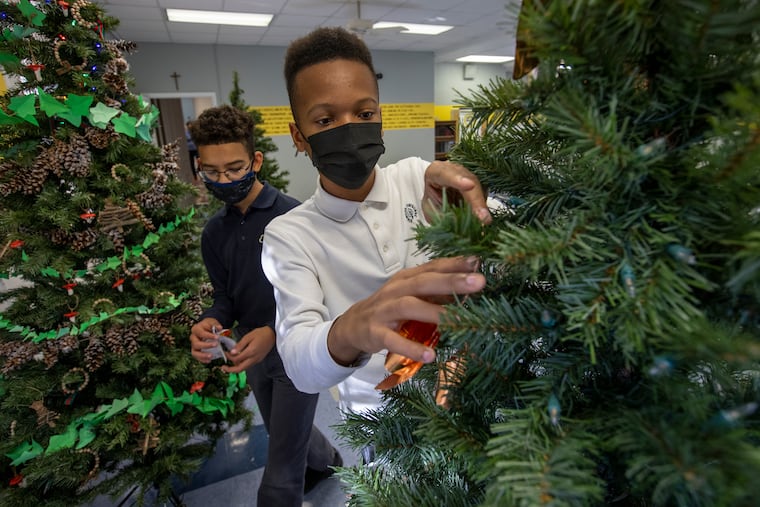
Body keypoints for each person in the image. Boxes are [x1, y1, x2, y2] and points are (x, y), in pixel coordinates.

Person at [261, 27, 492, 422]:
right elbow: (299, 364)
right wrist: (352, 328)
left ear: (381, 121)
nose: (349, 129)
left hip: (465, 395)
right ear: (299, 137)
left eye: (364, 113)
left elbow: (505, 247)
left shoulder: (420, 179)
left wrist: (475, 220)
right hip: (378, 420)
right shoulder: (289, 236)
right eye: (325, 119)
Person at [187, 105, 341, 507]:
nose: (224, 180)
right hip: (250, 354)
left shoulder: (293, 217)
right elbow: (225, 297)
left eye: (235, 168)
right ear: (198, 165)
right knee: (280, 429)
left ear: (255, 160)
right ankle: (327, 461)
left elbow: (323, 296)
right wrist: (210, 321)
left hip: (296, 351)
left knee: (282, 466)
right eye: (213, 172)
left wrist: (273, 332)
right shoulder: (214, 233)